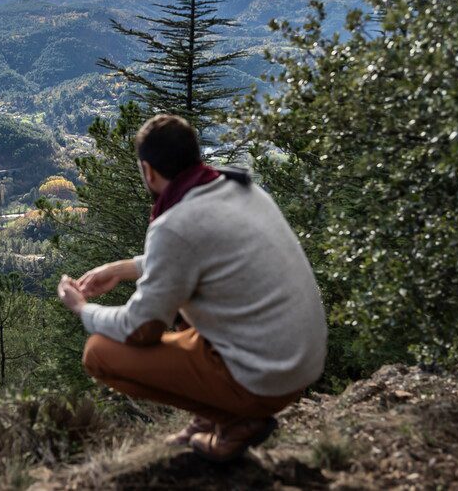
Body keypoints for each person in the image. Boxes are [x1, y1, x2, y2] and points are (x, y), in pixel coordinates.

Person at [56, 114, 327, 462]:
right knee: (189, 304)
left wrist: (82, 308)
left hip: (266, 379)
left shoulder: (175, 224)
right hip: (299, 363)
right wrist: (124, 269)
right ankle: (209, 418)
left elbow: (140, 328)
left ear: (148, 171)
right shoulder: (242, 189)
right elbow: (202, 256)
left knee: (99, 352)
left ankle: (234, 420)